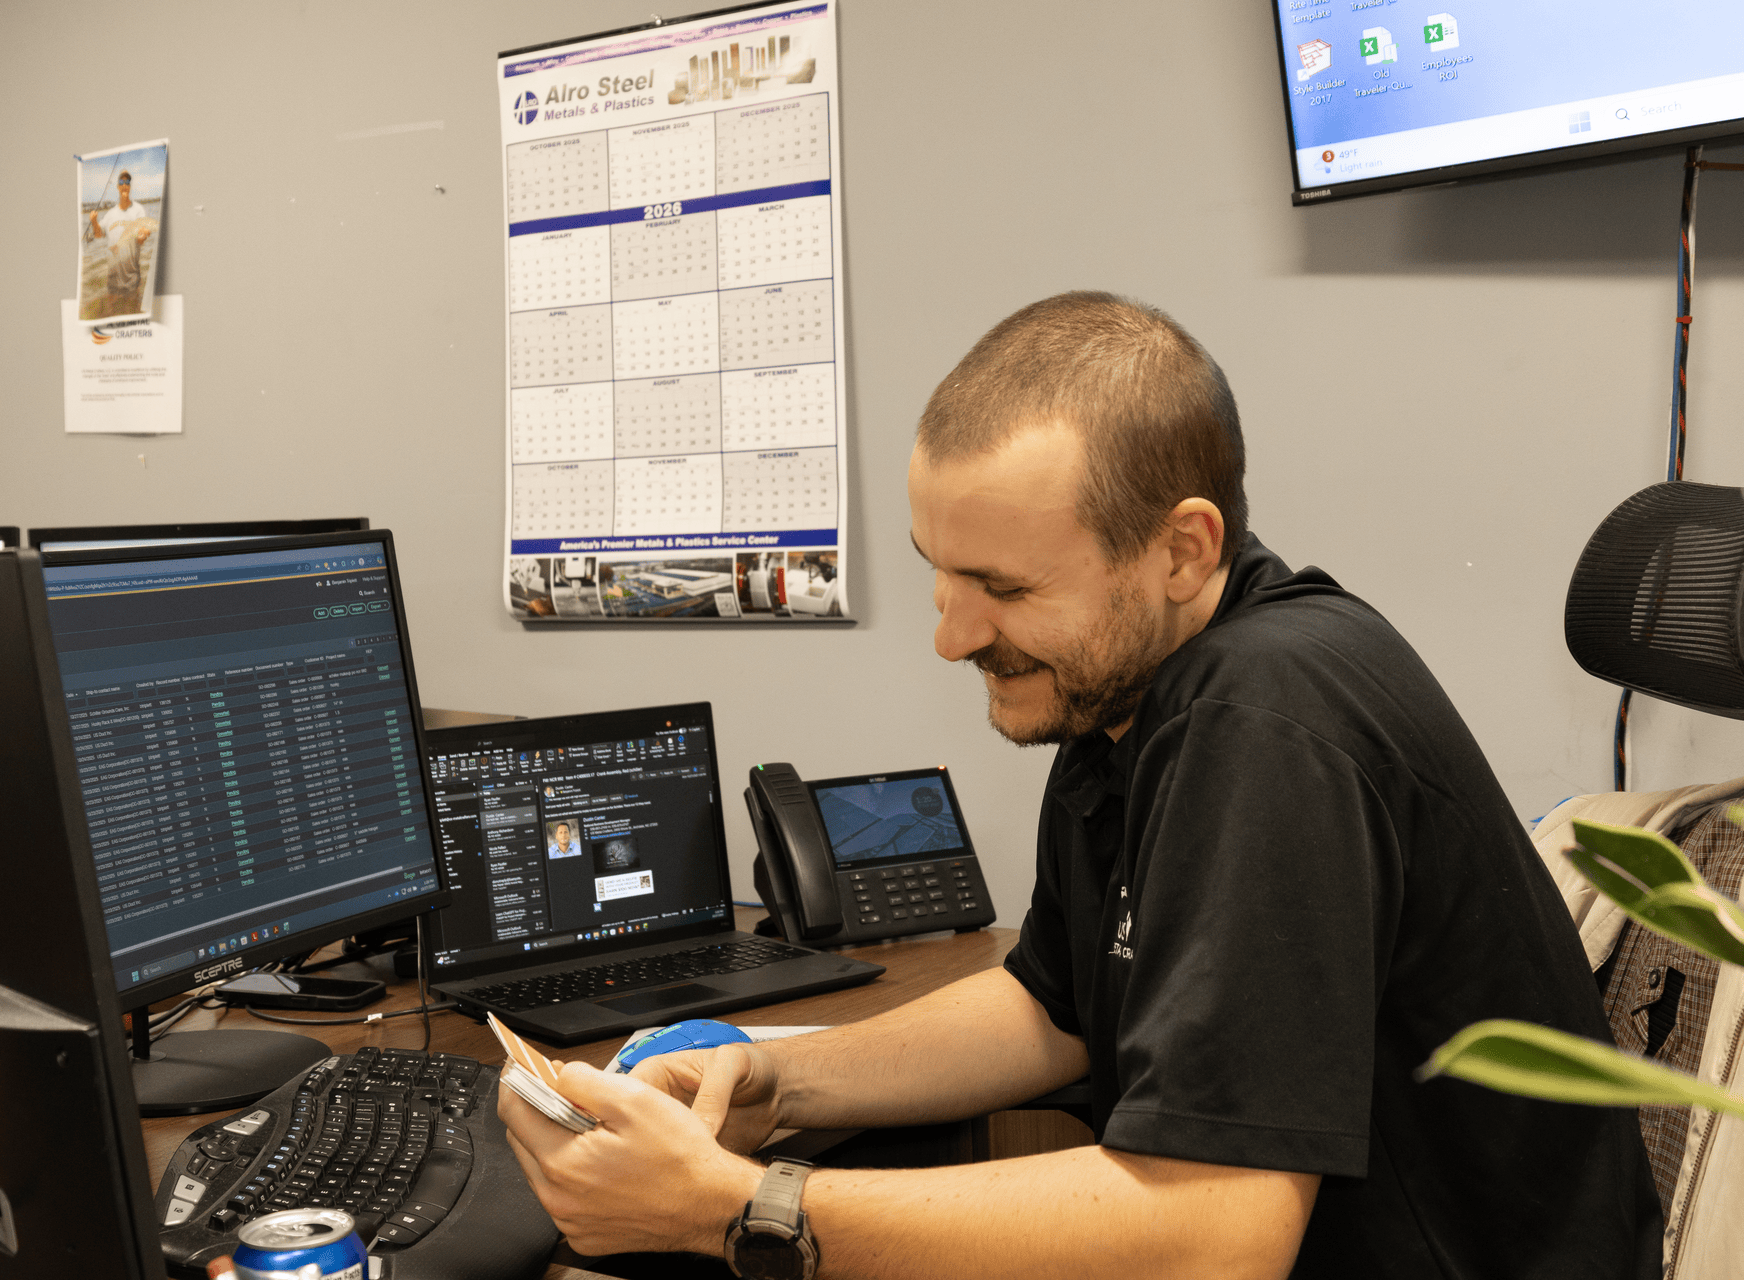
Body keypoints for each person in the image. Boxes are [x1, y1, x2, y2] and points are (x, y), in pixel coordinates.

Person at [499, 293, 1662, 1278]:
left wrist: (737, 1207)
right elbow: (1053, 1009)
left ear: (1182, 549)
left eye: (1004, 587)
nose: (953, 636)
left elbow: (1218, 1233)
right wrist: (774, 1081)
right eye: (941, 574)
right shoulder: (1121, 687)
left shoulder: (1261, 713)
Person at [87, 170, 154, 315]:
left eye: (127, 182)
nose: (124, 185)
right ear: (118, 186)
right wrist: (94, 222)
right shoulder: (110, 213)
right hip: (112, 276)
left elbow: (141, 238)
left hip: (132, 277)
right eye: (121, 182)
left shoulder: (138, 210)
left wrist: (144, 235)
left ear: (130, 186)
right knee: (112, 312)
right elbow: (98, 234)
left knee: (133, 312)